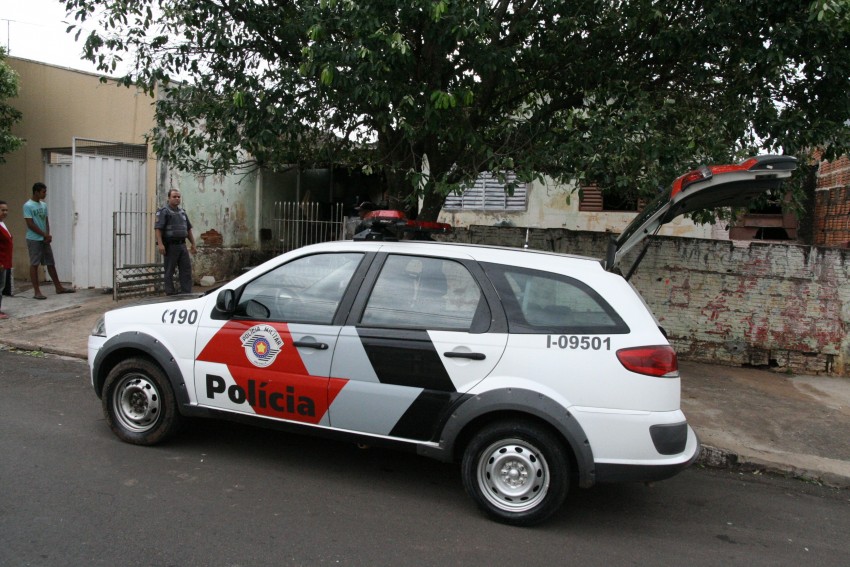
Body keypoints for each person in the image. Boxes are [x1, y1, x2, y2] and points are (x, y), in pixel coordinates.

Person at [23, 182, 75, 299]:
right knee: (35, 264)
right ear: (36, 192)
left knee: (50, 262)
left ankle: (59, 287)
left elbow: (46, 221)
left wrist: (48, 234)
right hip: (34, 239)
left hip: (44, 238)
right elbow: (30, 224)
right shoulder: (28, 206)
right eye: (43, 192)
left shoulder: (43, 205)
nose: (45, 194)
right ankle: (37, 291)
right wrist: (43, 234)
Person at [154, 189, 197, 295]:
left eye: (178, 197)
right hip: (170, 246)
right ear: (169, 198)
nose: (177, 199)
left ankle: (186, 293)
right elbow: (158, 229)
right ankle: (170, 294)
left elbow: (188, 229)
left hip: (182, 246)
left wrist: (193, 244)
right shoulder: (164, 211)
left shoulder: (182, 212)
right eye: (174, 197)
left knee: (186, 270)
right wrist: (160, 244)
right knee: (169, 271)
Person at [0, 200, 12, 318]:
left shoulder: (2, 224)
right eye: (2, 210)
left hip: (5, 261)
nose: (5, 212)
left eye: (6, 210)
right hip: (1, 261)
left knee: (1, 286)